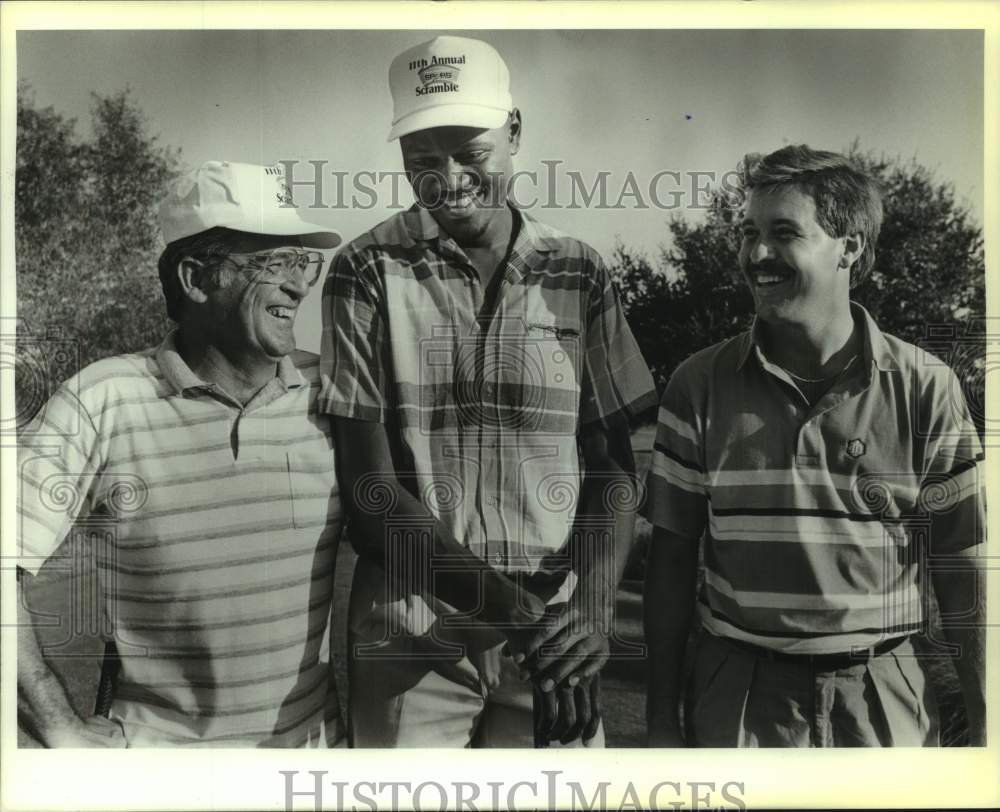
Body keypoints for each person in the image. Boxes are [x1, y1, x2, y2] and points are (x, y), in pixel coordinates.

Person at [321, 35, 657, 747]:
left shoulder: (579, 273)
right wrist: (527, 618)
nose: (447, 177)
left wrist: (592, 610)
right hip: (412, 628)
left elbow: (616, 464)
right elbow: (371, 493)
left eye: (471, 152)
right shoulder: (364, 272)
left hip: (555, 631)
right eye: (421, 155)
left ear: (514, 135)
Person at [643, 145, 986, 748]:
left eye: (782, 233)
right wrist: (659, 721)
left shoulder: (927, 387)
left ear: (849, 247)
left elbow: (963, 568)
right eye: (747, 233)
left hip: (881, 697)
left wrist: (988, 720)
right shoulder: (697, 384)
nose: (756, 254)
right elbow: (671, 566)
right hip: (736, 698)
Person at [17, 161, 347, 747]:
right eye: (274, 264)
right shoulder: (102, 399)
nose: (299, 286)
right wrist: (55, 723)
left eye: (302, 263)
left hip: (311, 768)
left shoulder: (332, 393)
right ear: (196, 278)